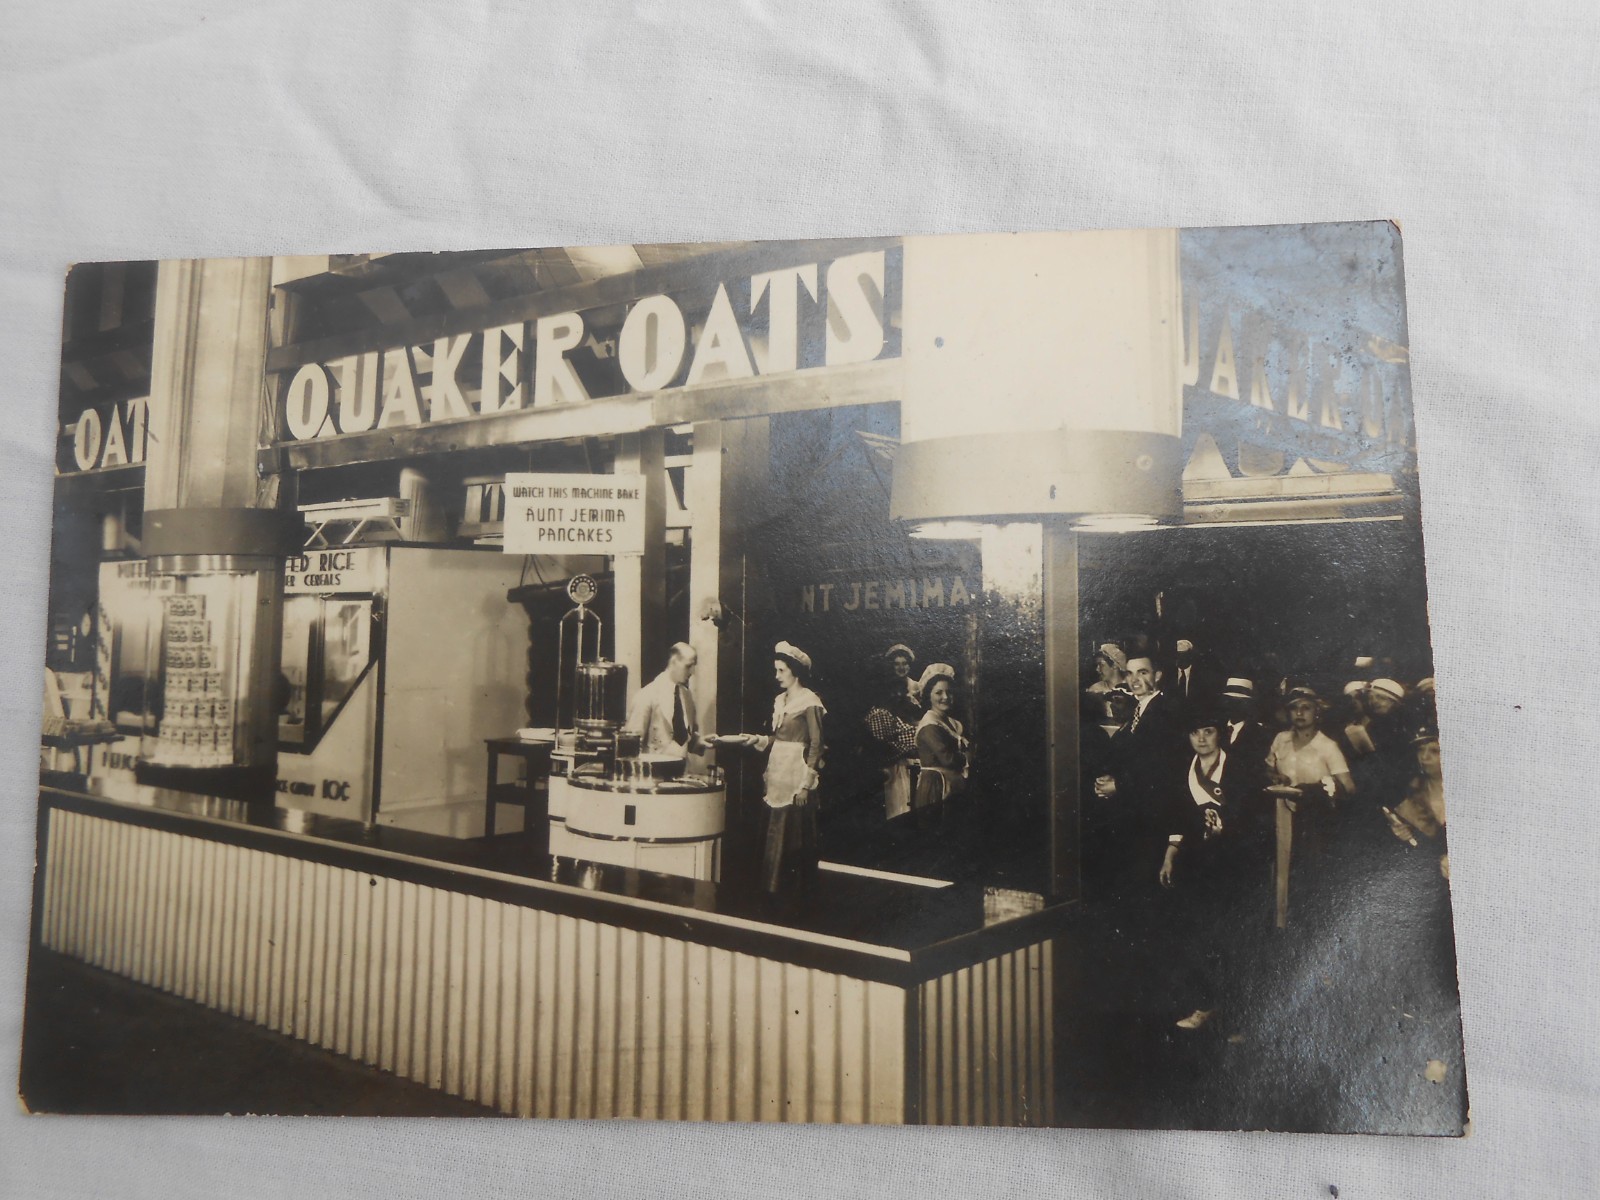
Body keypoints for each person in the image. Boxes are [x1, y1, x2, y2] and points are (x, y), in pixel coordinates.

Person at [1157, 709, 1270, 1030]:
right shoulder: (1185, 769)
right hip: (1197, 862)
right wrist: (1170, 853)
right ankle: (1205, 1005)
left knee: (1231, 936)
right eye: (1195, 733)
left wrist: (1229, 829)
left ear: (1220, 734)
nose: (1202, 739)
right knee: (1198, 933)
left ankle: (1240, 1014)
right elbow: (1177, 818)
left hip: (1234, 863)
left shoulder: (1240, 768)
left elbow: (1257, 820)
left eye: (1208, 731)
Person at [718, 641, 826, 896]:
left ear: (795, 671)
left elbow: (817, 744)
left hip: (795, 775)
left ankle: (794, 893)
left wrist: (805, 785)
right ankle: (770, 890)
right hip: (777, 771)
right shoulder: (780, 700)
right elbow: (779, 739)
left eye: (781, 671)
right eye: (776, 670)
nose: (776, 676)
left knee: (794, 834)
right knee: (773, 830)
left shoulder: (810, 701)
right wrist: (757, 739)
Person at [1092, 653, 1186, 900]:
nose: (1134, 679)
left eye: (1142, 672)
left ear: (1157, 675)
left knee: (1145, 893)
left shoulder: (1166, 714)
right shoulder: (1137, 712)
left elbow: (1163, 771)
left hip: (1152, 820)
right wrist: (1105, 781)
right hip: (1132, 817)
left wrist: (1118, 785)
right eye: (1129, 673)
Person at [1264, 686, 1356, 928]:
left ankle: (1308, 928)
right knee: (1281, 868)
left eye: (1306, 707)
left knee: (1310, 872)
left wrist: (1319, 788)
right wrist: (1275, 777)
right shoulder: (1280, 739)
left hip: (1316, 820)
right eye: (1294, 708)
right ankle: (1280, 924)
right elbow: (1269, 767)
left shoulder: (1327, 746)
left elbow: (1348, 788)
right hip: (1282, 815)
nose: (1300, 713)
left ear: (1317, 712)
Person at [624, 642, 709, 763]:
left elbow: (684, 739)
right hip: (654, 775)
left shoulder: (687, 696)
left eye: (693, 666)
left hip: (680, 775)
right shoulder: (647, 695)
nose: (692, 672)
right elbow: (631, 746)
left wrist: (701, 742)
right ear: (674, 662)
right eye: (688, 666)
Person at [864, 659, 920, 820]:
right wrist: (908, 745)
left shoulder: (902, 713)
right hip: (892, 770)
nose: (898, 696)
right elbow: (883, 747)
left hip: (908, 767)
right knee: (897, 807)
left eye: (901, 693)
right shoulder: (879, 715)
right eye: (894, 692)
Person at [912, 662, 969, 817]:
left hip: (953, 787)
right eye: (939, 693)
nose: (945, 697)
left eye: (949, 692)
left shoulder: (951, 723)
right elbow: (948, 759)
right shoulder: (929, 725)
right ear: (929, 695)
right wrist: (968, 756)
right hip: (936, 788)